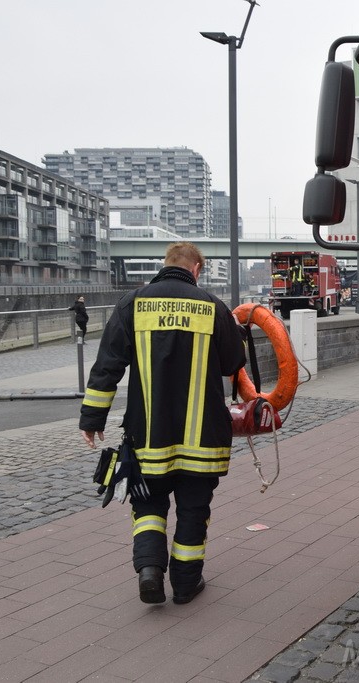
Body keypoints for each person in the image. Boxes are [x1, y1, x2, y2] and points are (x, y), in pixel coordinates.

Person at [78, 242, 245, 605]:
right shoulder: (213, 307)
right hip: (202, 437)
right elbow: (233, 362)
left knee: (148, 506)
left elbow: (107, 367)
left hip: (149, 435)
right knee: (194, 509)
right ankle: (186, 585)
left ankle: (150, 572)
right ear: (197, 268)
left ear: (165, 264)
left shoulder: (132, 305)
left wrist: (92, 419)